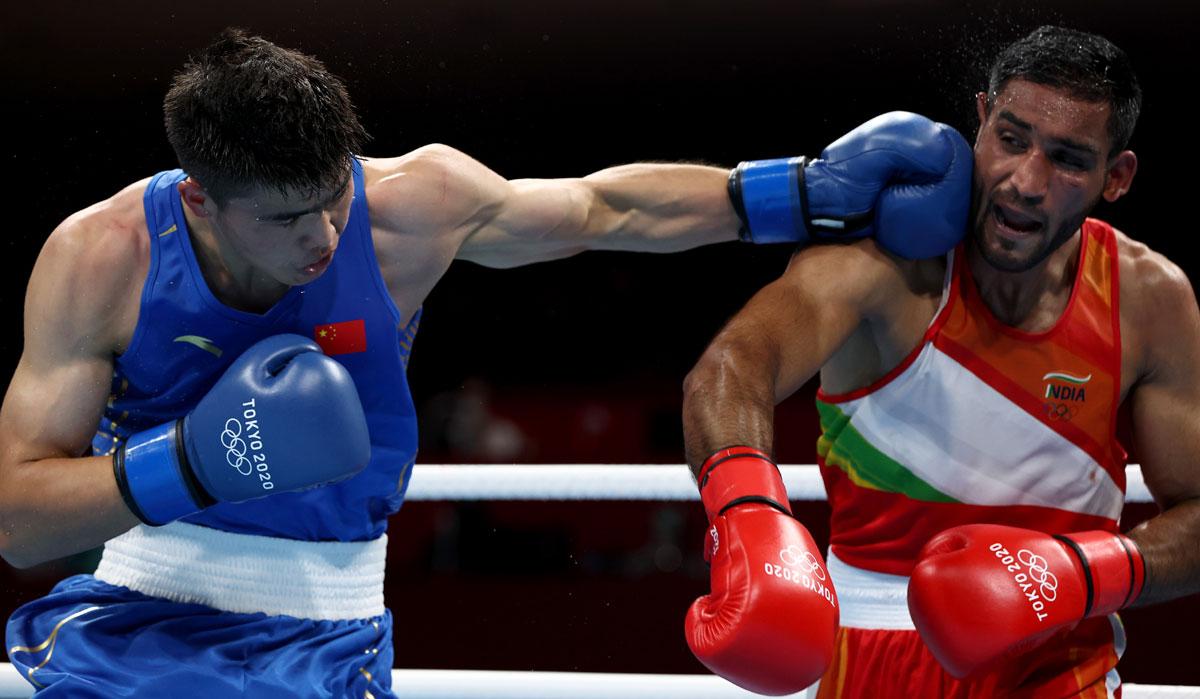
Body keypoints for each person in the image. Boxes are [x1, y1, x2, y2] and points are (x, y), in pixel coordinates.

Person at [0, 28, 970, 698]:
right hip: (144, 622)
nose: (325, 235)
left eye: (333, 196)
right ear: (202, 201)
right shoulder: (102, 260)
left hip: (337, 634)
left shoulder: (406, 208)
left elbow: (606, 212)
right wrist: (195, 463)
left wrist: (805, 193)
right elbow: (16, 518)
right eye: (288, 218)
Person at [682, 25, 1200, 698]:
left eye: (1068, 159)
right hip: (863, 654)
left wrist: (1081, 571)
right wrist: (746, 511)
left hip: (1059, 662)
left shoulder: (1148, 299)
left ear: (1117, 177)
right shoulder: (886, 262)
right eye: (1011, 139)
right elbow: (736, 363)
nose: (1026, 182)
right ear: (980, 122)